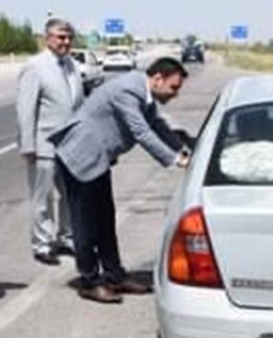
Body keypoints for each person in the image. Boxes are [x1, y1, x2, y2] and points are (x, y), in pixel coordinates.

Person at [51, 57, 192, 304]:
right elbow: (142, 132)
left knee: (105, 218)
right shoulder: (129, 90)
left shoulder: (143, 93)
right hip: (80, 157)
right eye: (174, 87)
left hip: (98, 159)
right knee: (84, 223)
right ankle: (89, 281)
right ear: (158, 79)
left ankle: (114, 275)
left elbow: (157, 125)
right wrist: (174, 160)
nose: (175, 94)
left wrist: (183, 149)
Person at [16, 18, 85, 265]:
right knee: (42, 198)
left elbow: (79, 105)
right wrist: (28, 145)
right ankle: (42, 244)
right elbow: (26, 109)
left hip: (70, 145)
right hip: (43, 145)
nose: (65, 42)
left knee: (70, 195)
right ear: (48, 38)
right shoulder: (35, 67)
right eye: (60, 37)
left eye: (68, 37)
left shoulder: (72, 66)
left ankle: (66, 237)